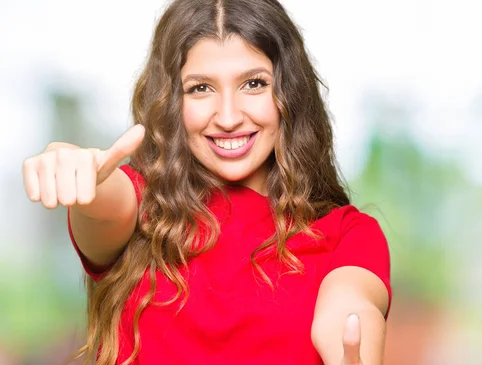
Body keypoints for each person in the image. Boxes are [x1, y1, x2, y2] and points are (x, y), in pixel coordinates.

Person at [22, 0, 391, 364]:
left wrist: (352, 349)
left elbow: (350, 310)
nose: (228, 117)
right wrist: (77, 171)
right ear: (171, 103)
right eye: (200, 88)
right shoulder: (143, 202)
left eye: (254, 84)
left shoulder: (349, 234)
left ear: (288, 95)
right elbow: (105, 201)